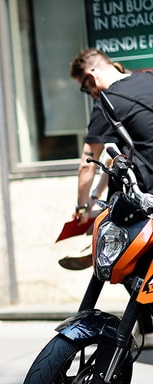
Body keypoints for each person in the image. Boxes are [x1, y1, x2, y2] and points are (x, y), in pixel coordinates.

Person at [70, 48, 153, 336]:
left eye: (85, 88)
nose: (89, 94)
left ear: (91, 77)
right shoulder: (148, 79)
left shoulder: (107, 101)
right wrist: (95, 196)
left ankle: (146, 326)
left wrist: (82, 208)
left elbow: (87, 165)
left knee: (125, 261)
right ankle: (147, 326)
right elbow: (117, 157)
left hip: (144, 199)